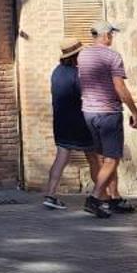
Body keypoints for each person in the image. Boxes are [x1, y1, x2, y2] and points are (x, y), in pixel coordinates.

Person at [76, 22, 137, 219]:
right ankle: (95, 198)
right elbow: (120, 87)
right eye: (111, 35)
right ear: (106, 36)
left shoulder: (82, 55)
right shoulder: (113, 56)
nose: (112, 38)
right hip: (108, 113)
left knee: (99, 158)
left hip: (88, 112)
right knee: (112, 158)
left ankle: (112, 198)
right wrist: (134, 111)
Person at [42, 35, 99, 210]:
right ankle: (101, 194)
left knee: (61, 157)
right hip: (79, 121)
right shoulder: (77, 74)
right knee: (94, 158)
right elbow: (87, 95)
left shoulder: (56, 71)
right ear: (75, 55)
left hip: (60, 120)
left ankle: (50, 194)